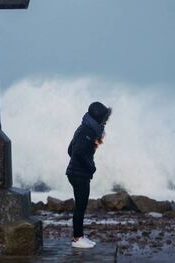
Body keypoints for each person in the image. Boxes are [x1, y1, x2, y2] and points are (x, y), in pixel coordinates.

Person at [66, 101, 112, 249]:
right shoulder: (87, 131)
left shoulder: (86, 128)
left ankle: (80, 236)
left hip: (77, 173)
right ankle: (77, 239)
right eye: (104, 118)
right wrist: (90, 167)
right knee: (80, 207)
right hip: (78, 174)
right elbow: (77, 152)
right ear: (98, 117)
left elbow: (70, 150)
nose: (106, 121)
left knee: (81, 206)